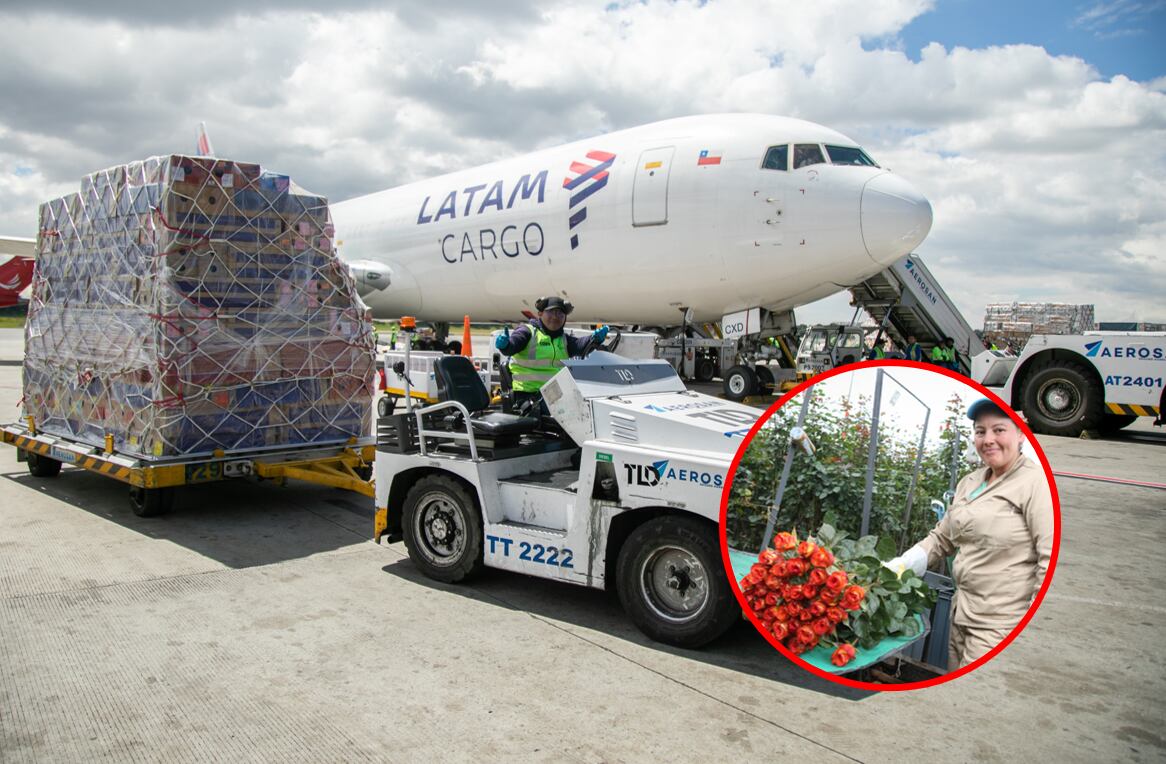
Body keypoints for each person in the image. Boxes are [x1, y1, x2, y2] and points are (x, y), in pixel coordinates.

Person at [887, 399, 1053, 670]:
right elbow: (942, 538)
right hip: (960, 616)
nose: (988, 439)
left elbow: (1049, 559)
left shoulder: (1035, 482)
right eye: (980, 431)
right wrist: (902, 565)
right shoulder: (971, 482)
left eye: (999, 430)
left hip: (1002, 625)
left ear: (1021, 434)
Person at [495, 296, 608, 412]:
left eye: (560, 313)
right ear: (540, 314)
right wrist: (506, 345)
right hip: (528, 397)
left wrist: (594, 339)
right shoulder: (528, 332)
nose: (555, 317)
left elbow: (580, 345)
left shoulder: (563, 339)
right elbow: (513, 346)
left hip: (554, 395)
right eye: (551, 312)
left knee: (590, 405)